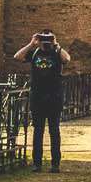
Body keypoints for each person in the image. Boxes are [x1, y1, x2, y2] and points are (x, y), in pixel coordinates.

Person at [14, 28, 68, 170]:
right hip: (37, 96)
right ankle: (37, 163)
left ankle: (55, 164)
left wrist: (56, 44)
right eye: (43, 38)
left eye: (48, 38)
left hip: (54, 97)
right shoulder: (34, 53)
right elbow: (17, 57)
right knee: (38, 131)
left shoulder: (57, 52)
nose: (46, 41)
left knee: (54, 131)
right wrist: (31, 44)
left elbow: (67, 59)